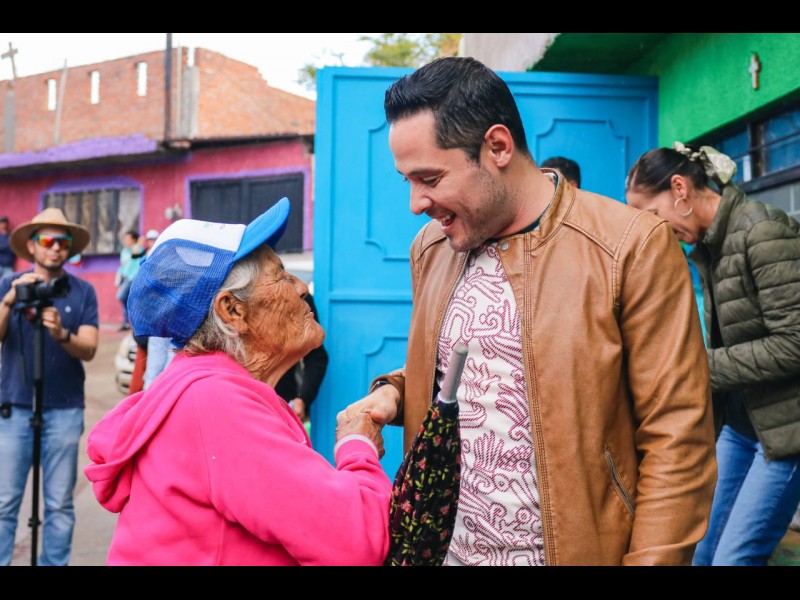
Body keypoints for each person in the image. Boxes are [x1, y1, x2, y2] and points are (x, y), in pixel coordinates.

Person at [342, 56, 717, 566]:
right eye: (407, 180)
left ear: (497, 146)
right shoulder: (431, 247)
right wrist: (394, 390)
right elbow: (472, 364)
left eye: (429, 177)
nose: (415, 202)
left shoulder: (629, 246)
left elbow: (678, 436)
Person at [84, 199, 392, 566]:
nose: (300, 287)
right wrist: (358, 446)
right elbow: (356, 539)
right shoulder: (215, 402)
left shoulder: (207, 386)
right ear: (232, 310)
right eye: (281, 275)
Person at [626, 142, 800, 566]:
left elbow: (794, 342)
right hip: (741, 425)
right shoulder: (709, 245)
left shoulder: (762, 230)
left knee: (732, 559)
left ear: (680, 189)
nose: (654, 230)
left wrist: (696, 366)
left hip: (786, 431)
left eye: (652, 215)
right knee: (698, 551)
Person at [0, 208, 99, 566]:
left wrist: (61, 333)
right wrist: (10, 300)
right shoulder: (10, 284)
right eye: (47, 240)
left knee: (59, 504)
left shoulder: (82, 291)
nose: (56, 248)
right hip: (14, 407)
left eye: (63, 242)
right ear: (31, 245)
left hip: (64, 409)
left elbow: (90, 348)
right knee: (4, 503)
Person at [274, 292, 329, 424]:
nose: (303, 288)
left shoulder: (300, 296)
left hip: (285, 404)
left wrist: (302, 398)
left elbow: (317, 357)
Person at [114, 229, 139, 331]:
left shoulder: (138, 249)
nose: (126, 241)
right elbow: (123, 265)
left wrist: (139, 244)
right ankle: (126, 323)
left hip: (133, 278)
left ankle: (131, 322)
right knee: (126, 299)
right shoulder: (124, 251)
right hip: (125, 278)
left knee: (121, 296)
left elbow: (135, 257)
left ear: (134, 240)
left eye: (128, 238)